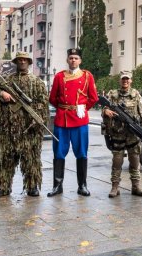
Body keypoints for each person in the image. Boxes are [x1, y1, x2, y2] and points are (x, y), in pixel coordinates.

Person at [0, 51, 48, 198]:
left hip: (29, 129)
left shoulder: (36, 82)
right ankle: (2, 187)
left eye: (25, 60)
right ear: (15, 62)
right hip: (8, 127)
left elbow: (43, 102)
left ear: (29, 62)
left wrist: (37, 117)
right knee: (5, 158)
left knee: (31, 159)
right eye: (19, 60)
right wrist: (1, 95)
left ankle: (32, 186)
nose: (22, 62)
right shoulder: (6, 81)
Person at [47, 48, 98, 197]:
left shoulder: (87, 76)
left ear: (80, 60)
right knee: (58, 153)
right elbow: (52, 98)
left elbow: (93, 98)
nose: (73, 60)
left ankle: (82, 185)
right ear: (67, 60)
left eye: (76, 58)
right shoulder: (59, 76)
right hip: (62, 120)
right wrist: (64, 108)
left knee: (81, 152)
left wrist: (81, 108)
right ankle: (57, 186)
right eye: (71, 58)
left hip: (80, 120)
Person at [103, 70, 142, 198]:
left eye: (127, 79)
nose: (125, 81)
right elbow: (104, 108)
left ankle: (136, 186)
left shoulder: (136, 95)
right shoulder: (113, 94)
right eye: (123, 79)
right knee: (117, 161)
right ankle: (115, 187)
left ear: (131, 80)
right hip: (117, 133)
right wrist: (106, 111)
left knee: (134, 159)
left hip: (133, 134)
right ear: (120, 80)